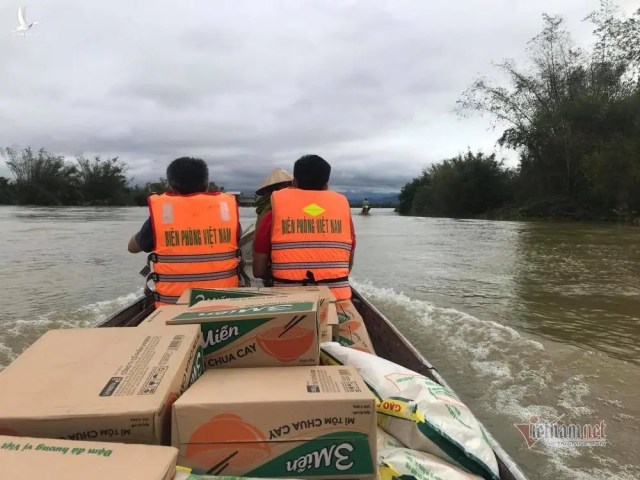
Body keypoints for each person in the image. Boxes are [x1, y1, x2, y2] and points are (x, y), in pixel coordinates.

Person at [128, 157, 242, 306]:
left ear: (172, 187)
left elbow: (132, 248)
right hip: (222, 305)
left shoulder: (162, 215)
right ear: (206, 184)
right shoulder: (225, 213)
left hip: (172, 307)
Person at [252, 154, 356, 300]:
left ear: (294, 182)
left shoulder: (272, 214)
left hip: (289, 300)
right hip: (336, 298)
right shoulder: (343, 215)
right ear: (326, 185)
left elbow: (258, 271)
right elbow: (348, 266)